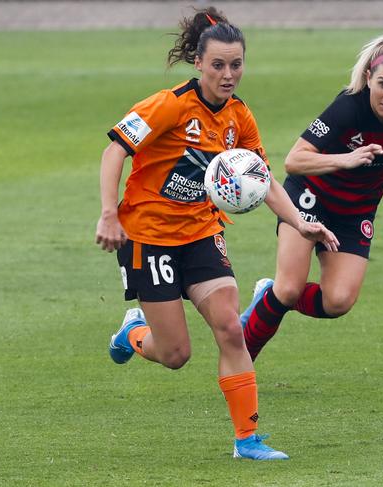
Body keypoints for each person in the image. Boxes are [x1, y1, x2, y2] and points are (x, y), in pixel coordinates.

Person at [94, 7, 338, 461]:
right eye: (219, 65)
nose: (229, 75)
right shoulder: (168, 105)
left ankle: (247, 440)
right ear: (199, 63)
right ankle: (132, 333)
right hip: (149, 238)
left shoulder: (239, 117)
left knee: (230, 328)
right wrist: (110, 214)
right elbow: (114, 151)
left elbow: (260, 176)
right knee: (175, 354)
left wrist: (298, 222)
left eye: (237, 65)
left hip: (202, 233)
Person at [241, 32, 383, 361]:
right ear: (368, 78)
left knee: (338, 302)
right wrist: (345, 159)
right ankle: (240, 360)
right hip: (309, 199)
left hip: (355, 213)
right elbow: (294, 160)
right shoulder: (347, 108)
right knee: (289, 288)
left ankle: (267, 293)